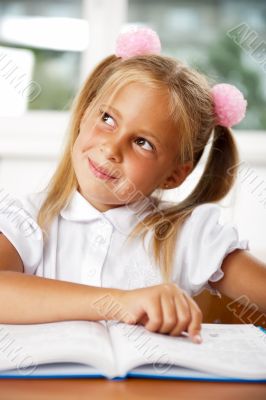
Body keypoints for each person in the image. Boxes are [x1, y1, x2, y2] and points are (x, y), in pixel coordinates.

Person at [0, 27, 265, 345]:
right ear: (84, 115)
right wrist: (121, 302)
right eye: (108, 119)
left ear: (174, 175)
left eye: (142, 142)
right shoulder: (27, 218)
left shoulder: (189, 234)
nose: (112, 149)